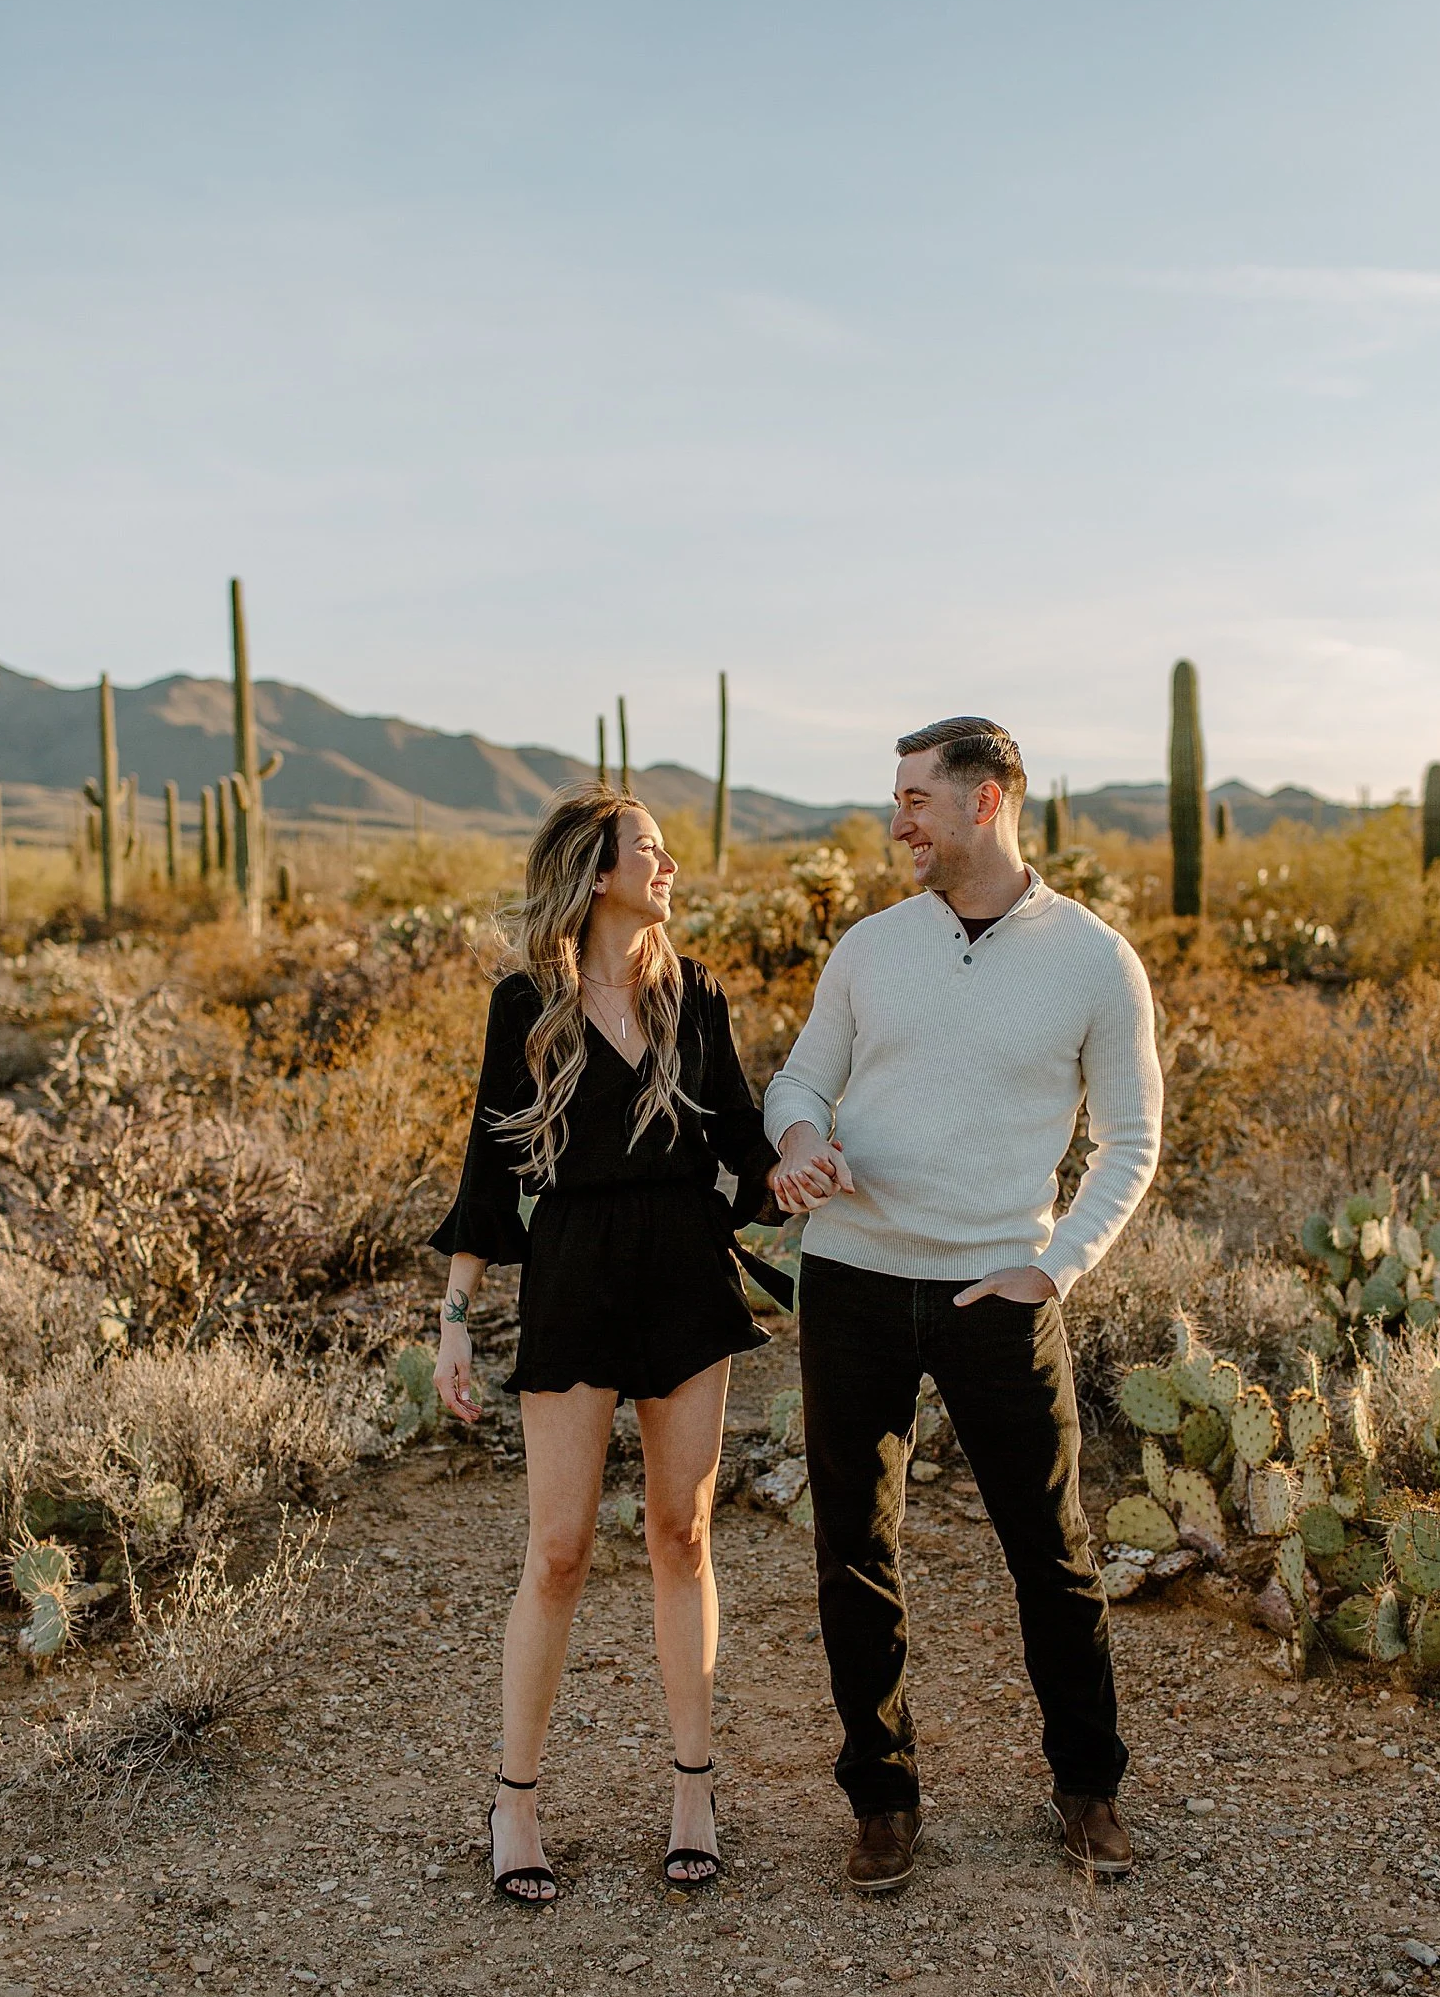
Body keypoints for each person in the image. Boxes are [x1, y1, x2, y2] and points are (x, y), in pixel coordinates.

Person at [767, 718, 1163, 1892]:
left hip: (999, 1289)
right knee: (854, 1550)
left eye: (914, 799)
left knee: (1052, 1552)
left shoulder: (1095, 960)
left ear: (984, 801)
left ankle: (1087, 1787)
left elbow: (1132, 1139)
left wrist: (1058, 1266)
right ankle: (882, 1801)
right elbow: (801, 1078)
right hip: (852, 1277)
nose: (897, 822)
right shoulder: (871, 947)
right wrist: (798, 1141)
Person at [431, 781, 789, 1906]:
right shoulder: (526, 1005)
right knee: (560, 1550)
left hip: (684, 1271)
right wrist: (454, 1318)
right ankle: (516, 1801)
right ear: (596, 874)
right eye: (650, 848)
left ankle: (694, 1791)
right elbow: (489, 1166)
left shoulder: (697, 994)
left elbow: (743, 1137)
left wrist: (796, 1170)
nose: (669, 865)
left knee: (684, 1535)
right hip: (577, 1277)